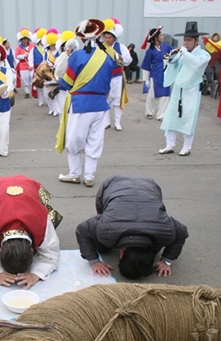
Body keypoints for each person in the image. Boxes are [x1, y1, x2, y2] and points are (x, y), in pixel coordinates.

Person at [76, 175, 189, 279]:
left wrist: (167, 261)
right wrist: (94, 261)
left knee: (103, 240)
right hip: (113, 184)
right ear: (122, 253)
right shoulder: (106, 227)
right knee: (102, 246)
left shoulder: (165, 230)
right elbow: (83, 230)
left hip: (148, 185)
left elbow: (182, 232)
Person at [0, 175, 62, 289]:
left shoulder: (42, 222)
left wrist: (35, 275)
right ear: (0, 249)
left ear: (32, 249)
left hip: (30, 186)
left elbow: (51, 255)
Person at [56, 19, 116, 188]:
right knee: (95, 141)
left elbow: (67, 83)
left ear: (83, 38)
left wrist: (57, 80)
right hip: (101, 105)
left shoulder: (77, 56)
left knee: (74, 140)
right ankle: (89, 176)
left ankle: (75, 174)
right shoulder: (107, 57)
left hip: (81, 104)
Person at [158, 22, 210, 156]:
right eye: (185, 40)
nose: (186, 42)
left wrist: (184, 53)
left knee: (188, 117)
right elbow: (173, 66)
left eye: (189, 40)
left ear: (196, 41)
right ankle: (170, 144)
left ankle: (187, 146)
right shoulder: (183, 53)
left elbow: (196, 64)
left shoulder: (203, 55)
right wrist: (171, 57)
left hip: (191, 89)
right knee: (171, 116)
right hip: (178, 88)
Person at [101, 18, 132, 131]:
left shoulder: (121, 47)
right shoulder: (100, 47)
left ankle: (117, 122)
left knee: (117, 99)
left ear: (114, 37)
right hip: (105, 77)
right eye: (106, 37)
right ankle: (107, 121)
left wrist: (120, 57)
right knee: (106, 99)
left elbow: (129, 60)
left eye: (109, 37)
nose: (107, 39)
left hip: (118, 76)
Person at [141, 26, 173, 121]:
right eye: (161, 35)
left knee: (165, 94)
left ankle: (162, 114)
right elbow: (146, 66)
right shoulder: (150, 52)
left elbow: (174, 51)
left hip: (165, 73)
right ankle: (149, 112)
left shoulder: (166, 47)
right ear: (156, 37)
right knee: (151, 95)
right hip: (155, 75)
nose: (162, 36)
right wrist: (145, 79)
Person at [15, 28, 33, 98]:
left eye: (26, 39)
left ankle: (34, 90)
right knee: (25, 79)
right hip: (23, 65)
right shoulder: (19, 47)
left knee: (32, 78)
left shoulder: (32, 46)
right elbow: (16, 56)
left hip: (31, 65)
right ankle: (27, 92)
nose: (25, 40)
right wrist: (23, 56)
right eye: (23, 39)